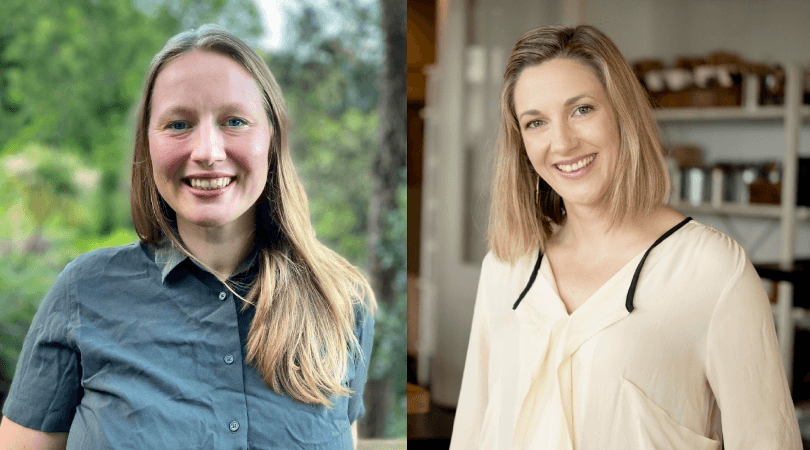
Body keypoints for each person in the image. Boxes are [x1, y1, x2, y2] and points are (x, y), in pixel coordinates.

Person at [0, 26, 375, 450]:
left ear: (272, 138)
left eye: (234, 121)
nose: (207, 152)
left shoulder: (340, 301)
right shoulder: (83, 293)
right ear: (148, 144)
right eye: (178, 124)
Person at [449, 24, 801, 449]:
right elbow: (471, 431)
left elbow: (768, 441)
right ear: (520, 142)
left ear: (622, 113)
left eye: (582, 110)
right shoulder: (506, 268)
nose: (562, 142)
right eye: (536, 122)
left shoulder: (712, 270)